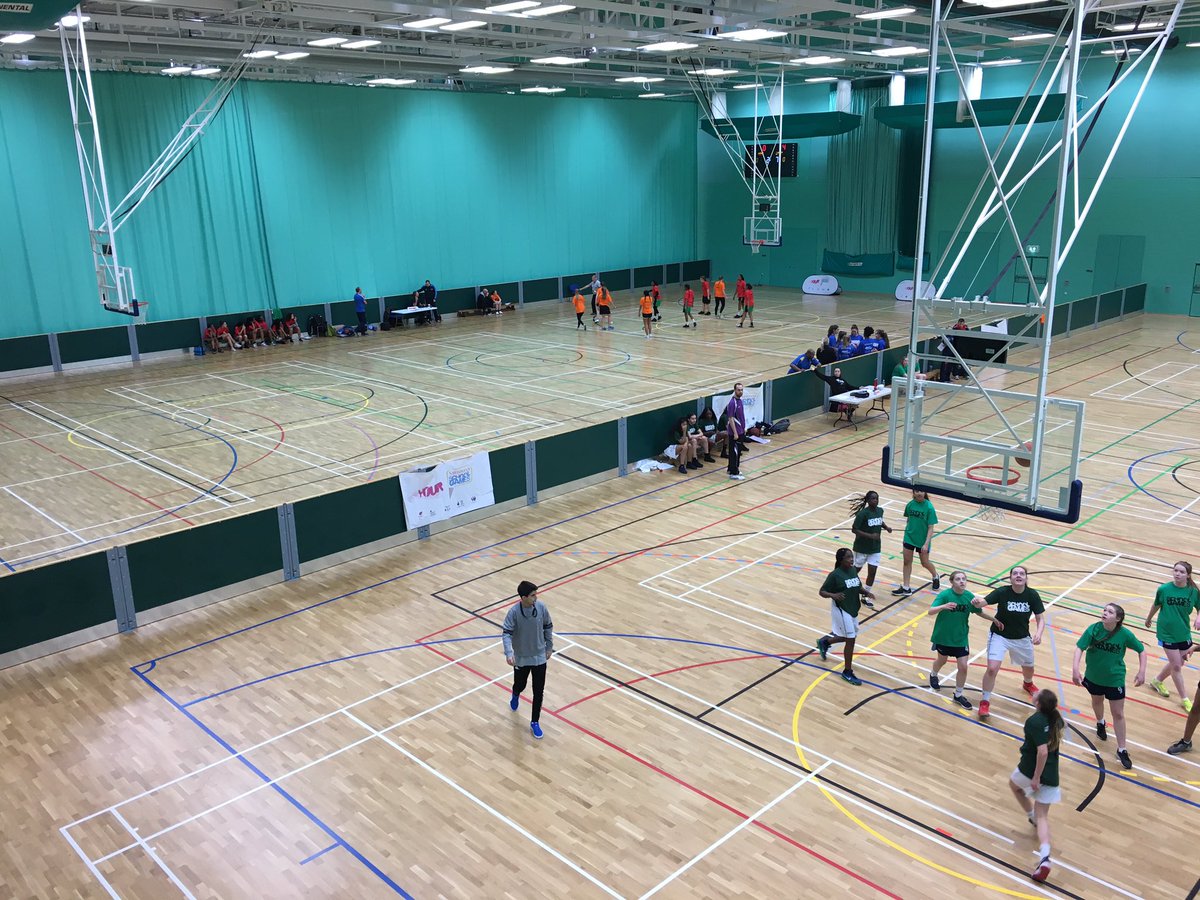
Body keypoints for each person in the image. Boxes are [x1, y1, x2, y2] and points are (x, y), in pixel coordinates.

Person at [1073, 602, 1147, 769]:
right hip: (1093, 676)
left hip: (1115, 679)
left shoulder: (1125, 634)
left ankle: (1122, 749)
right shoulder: (1094, 629)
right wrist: (1075, 669)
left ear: (1118, 618)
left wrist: (1142, 671)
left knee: (1118, 713)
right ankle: (1100, 722)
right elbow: (1079, 648)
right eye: (1105, 610)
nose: (1105, 613)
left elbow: (1142, 650)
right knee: (1097, 701)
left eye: (1110, 612)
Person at [972, 565, 1045, 718]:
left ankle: (1028, 683)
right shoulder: (1002, 592)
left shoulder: (1032, 595)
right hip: (999, 636)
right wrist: (976, 601)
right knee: (992, 669)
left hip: (1022, 637)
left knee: (1028, 668)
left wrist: (1038, 633)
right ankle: (985, 702)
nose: (1018, 576)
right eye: (1015, 573)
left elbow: (1040, 618)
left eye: (1022, 574)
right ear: (1010, 577)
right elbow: (983, 603)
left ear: (1026, 578)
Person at [1009, 689, 1064, 884]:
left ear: (1039, 703)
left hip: (1031, 769)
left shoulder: (1034, 722)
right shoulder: (1057, 719)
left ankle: (1031, 816)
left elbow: (1042, 752)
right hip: (1052, 774)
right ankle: (1045, 857)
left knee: (1014, 785)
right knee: (1043, 817)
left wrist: (1035, 777)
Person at [927, 571, 1000, 709]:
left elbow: (979, 612)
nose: (962, 581)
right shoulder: (945, 595)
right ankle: (933, 674)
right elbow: (930, 611)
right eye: (958, 579)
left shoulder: (969, 597)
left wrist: (994, 619)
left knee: (963, 667)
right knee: (942, 660)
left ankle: (958, 695)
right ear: (952, 582)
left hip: (961, 638)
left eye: (964, 579)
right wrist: (943, 606)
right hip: (943, 636)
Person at [817, 547, 877, 685]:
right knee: (850, 639)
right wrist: (833, 595)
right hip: (841, 609)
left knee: (847, 636)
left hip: (853, 607)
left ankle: (825, 642)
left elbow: (857, 586)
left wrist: (866, 593)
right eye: (848, 557)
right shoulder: (835, 575)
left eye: (852, 557)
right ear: (841, 560)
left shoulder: (852, 571)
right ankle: (847, 672)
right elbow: (822, 591)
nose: (852, 559)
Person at [1146, 561, 1200, 711]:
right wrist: (1149, 618)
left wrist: (1198, 617)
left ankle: (1157, 681)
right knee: (1176, 665)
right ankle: (1185, 699)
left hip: (1183, 632)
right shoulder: (1164, 589)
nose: (1177, 574)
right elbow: (1156, 604)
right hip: (1166, 632)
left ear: (1188, 575)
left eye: (1181, 572)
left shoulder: (1193, 592)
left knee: (1179, 662)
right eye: (1175, 570)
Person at [503, 580, 554, 740]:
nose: (536, 598)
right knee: (521, 684)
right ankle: (515, 693)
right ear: (523, 597)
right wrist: (508, 652)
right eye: (532, 595)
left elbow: (548, 626)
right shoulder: (513, 612)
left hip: (539, 656)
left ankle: (534, 722)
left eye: (536, 594)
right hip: (522, 657)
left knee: (538, 691)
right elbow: (506, 633)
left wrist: (549, 646)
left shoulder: (541, 607)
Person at [849, 490, 892, 602]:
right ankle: (846, 584)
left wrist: (886, 527)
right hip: (861, 548)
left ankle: (865, 595)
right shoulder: (862, 514)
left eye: (877, 498)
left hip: (875, 548)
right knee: (854, 571)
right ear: (868, 500)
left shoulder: (880, 511)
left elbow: (879, 521)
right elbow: (854, 529)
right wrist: (870, 536)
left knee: (872, 572)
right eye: (873, 498)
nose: (875, 500)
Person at [894, 488, 939, 596]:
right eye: (917, 491)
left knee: (924, 563)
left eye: (922, 491)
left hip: (923, 541)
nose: (919, 493)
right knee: (907, 562)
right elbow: (908, 519)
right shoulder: (910, 505)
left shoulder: (929, 507)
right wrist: (908, 532)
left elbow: (931, 527)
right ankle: (906, 588)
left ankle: (935, 576)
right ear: (913, 493)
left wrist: (926, 543)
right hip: (909, 538)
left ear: (925, 493)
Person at [725, 382, 747, 481]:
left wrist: (743, 428)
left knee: (737, 451)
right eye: (738, 390)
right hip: (735, 433)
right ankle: (734, 472)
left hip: (740, 431)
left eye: (741, 389)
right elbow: (730, 418)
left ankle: (731, 468)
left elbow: (741, 416)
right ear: (734, 390)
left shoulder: (740, 401)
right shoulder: (732, 403)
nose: (740, 391)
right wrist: (735, 433)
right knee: (735, 453)